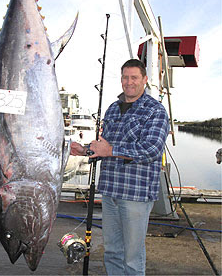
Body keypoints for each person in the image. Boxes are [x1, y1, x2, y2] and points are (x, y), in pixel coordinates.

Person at [71, 59, 170, 275]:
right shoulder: (113, 109)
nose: (129, 82)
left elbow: (151, 149)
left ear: (144, 80)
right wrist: (85, 149)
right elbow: (105, 145)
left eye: (134, 77)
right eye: (125, 77)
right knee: (112, 252)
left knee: (132, 257)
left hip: (136, 196)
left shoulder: (156, 111)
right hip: (110, 193)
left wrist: (111, 150)